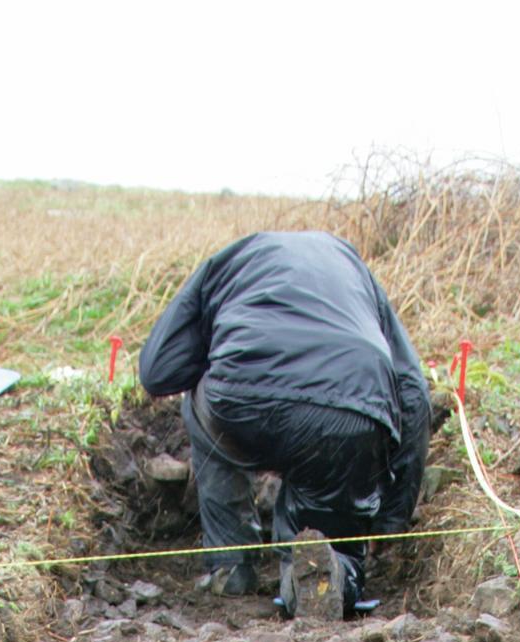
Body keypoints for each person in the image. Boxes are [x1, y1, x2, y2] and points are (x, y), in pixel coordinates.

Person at [138, 229, 429, 617]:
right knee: (333, 543)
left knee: (198, 397)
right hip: (351, 410)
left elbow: (158, 372)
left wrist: (213, 349)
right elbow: (413, 393)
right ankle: (324, 578)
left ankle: (231, 565)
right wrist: (390, 520)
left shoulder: (229, 261)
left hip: (241, 404)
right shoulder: (354, 269)